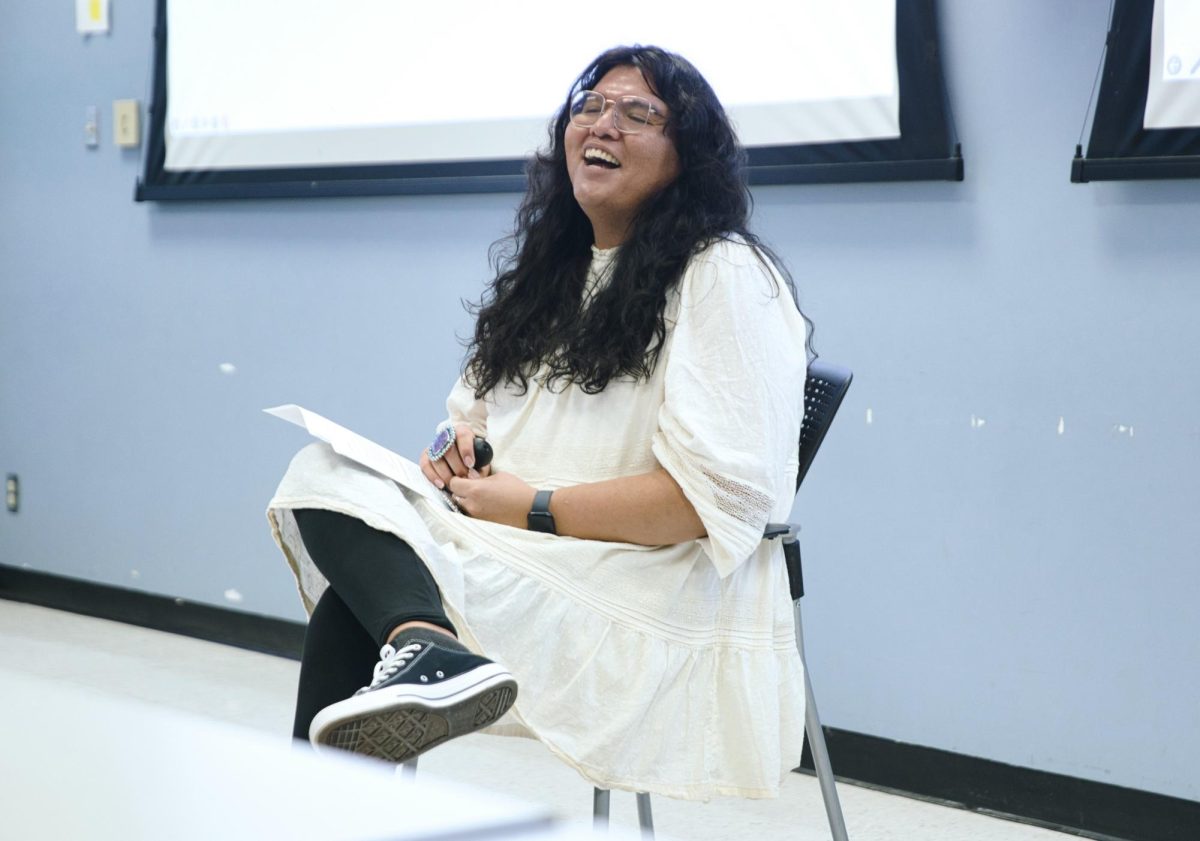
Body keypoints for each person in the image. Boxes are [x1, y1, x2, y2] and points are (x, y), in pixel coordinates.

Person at [268, 44, 812, 800]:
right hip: (515, 543)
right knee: (323, 473)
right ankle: (423, 646)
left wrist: (530, 504)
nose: (603, 123)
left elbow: (706, 504)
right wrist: (455, 454)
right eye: (589, 106)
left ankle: (387, 708)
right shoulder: (551, 273)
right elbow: (463, 422)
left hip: (643, 578)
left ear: (688, 157)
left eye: (638, 114)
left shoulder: (722, 273)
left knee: (353, 604)